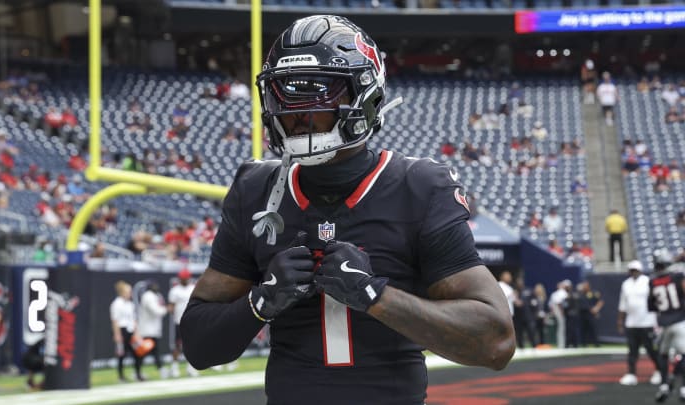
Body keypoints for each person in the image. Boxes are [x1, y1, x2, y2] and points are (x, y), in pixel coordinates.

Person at [181, 15, 515, 405]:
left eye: (318, 92)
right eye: (284, 94)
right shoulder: (256, 189)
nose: (296, 112)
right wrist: (260, 302)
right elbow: (198, 346)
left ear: (365, 95)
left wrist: (376, 296)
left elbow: (496, 342)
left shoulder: (419, 186)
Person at [648, 249, 685, 402]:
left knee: (662, 354)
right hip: (680, 321)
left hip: (664, 323)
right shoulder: (677, 277)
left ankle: (664, 384)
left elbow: (651, 306)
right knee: (683, 355)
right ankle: (683, 388)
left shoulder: (652, 281)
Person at [617, 260, 661, 387]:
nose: (633, 272)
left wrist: (658, 320)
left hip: (647, 322)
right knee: (632, 351)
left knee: (651, 350)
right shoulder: (626, 284)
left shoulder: (648, 281)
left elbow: (656, 301)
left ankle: (658, 371)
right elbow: (622, 304)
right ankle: (631, 374)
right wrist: (620, 321)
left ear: (640, 270)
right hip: (631, 322)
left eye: (635, 270)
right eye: (631, 270)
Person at [110, 280, 144, 382]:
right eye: (128, 292)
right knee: (122, 355)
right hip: (122, 331)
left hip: (131, 331)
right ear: (122, 292)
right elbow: (115, 320)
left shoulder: (130, 304)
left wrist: (137, 332)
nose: (130, 294)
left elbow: (133, 319)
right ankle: (121, 376)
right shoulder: (116, 304)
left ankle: (138, 374)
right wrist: (117, 334)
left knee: (137, 353)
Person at [167, 269, 198, 378]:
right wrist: (171, 310)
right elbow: (171, 307)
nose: (184, 279)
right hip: (179, 322)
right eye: (182, 277)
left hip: (192, 322)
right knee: (178, 346)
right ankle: (174, 368)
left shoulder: (193, 288)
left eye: (186, 277)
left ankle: (191, 368)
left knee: (193, 346)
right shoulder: (175, 290)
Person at [138, 281, 168, 379]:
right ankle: (138, 372)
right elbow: (155, 311)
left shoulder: (156, 295)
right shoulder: (148, 296)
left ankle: (158, 369)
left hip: (154, 329)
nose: (156, 287)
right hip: (147, 330)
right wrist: (166, 309)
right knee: (144, 351)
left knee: (154, 351)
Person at [577, 281, 603, 347]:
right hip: (582, 313)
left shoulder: (594, 293)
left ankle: (596, 343)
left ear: (588, 286)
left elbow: (600, 301)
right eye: (583, 286)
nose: (584, 287)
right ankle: (584, 344)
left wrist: (596, 308)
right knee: (583, 329)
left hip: (590, 314)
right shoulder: (580, 294)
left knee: (593, 329)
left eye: (585, 286)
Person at [549, 280, 571, 349]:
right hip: (559, 311)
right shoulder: (563, 292)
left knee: (560, 329)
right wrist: (562, 312)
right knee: (561, 329)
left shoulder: (554, 293)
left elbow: (551, 305)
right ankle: (561, 345)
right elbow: (559, 303)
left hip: (556, 311)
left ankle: (561, 345)